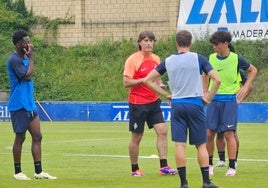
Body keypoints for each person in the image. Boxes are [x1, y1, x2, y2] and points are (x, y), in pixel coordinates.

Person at [144, 30, 220, 188]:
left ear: (176, 43)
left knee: (180, 145)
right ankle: (206, 182)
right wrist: (208, 98)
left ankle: (184, 183)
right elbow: (217, 80)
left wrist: (167, 95)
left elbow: (148, 80)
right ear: (190, 43)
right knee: (201, 145)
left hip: (177, 104)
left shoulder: (168, 61)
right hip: (195, 102)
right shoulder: (198, 58)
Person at [123, 30, 177, 177]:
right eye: (146, 40)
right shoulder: (133, 60)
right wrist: (143, 80)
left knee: (162, 130)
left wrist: (164, 90)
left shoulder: (156, 58)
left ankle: (164, 166)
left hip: (153, 102)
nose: (149, 43)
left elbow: (157, 80)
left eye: (151, 41)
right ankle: (135, 169)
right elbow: (126, 82)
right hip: (137, 103)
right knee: (137, 136)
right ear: (140, 43)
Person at [204, 30, 257, 176]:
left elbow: (253, 70)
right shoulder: (211, 58)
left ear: (225, 44)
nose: (214, 47)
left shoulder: (236, 59)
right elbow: (204, 73)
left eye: (216, 44)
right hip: (214, 100)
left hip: (229, 101)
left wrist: (246, 86)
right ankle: (209, 165)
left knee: (229, 133)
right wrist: (205, 91)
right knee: (209, 133)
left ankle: (232, 166)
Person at [7, 30, 57, 180]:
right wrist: (31, 57)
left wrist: (29, 58)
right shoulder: (14, 60)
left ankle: (39, 171)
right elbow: (27, 76)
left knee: (37, 136)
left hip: (29, 103)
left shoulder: (25, 58)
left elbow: (29, 73)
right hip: (19, 104)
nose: (28, 44)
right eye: (25, 42)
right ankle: (17, 172)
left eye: (29, 41)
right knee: (20, 137)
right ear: (18, 44)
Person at [215, 68, 253, 168]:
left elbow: (249, 87)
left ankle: (234, 160)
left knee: (231, 133)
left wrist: (240, 100)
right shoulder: (215, 69)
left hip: (230, 104)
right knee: (218, 133)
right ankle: (221, 159)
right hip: (216, 104)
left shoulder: (238, 71)